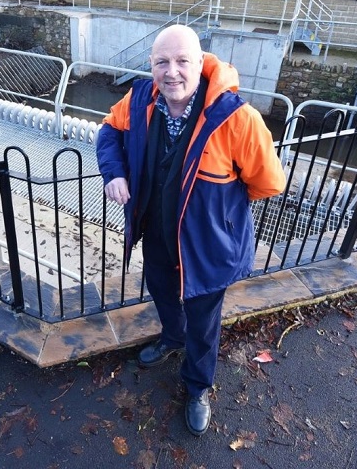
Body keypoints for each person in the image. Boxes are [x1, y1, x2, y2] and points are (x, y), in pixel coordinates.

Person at [96, 24, 285, 436]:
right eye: (162, 62)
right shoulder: (142, 97)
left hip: (207, 246)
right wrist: (113, 171)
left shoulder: (237, 118)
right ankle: (171, 337)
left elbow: (268, 182)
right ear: (151, 66)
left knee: (204, 318)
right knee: (162, 289)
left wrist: (221, 211)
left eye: (183, 61)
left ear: (200, 64)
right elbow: (109, 129)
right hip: (158, 233)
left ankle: (198, 386)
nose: (172, 71)